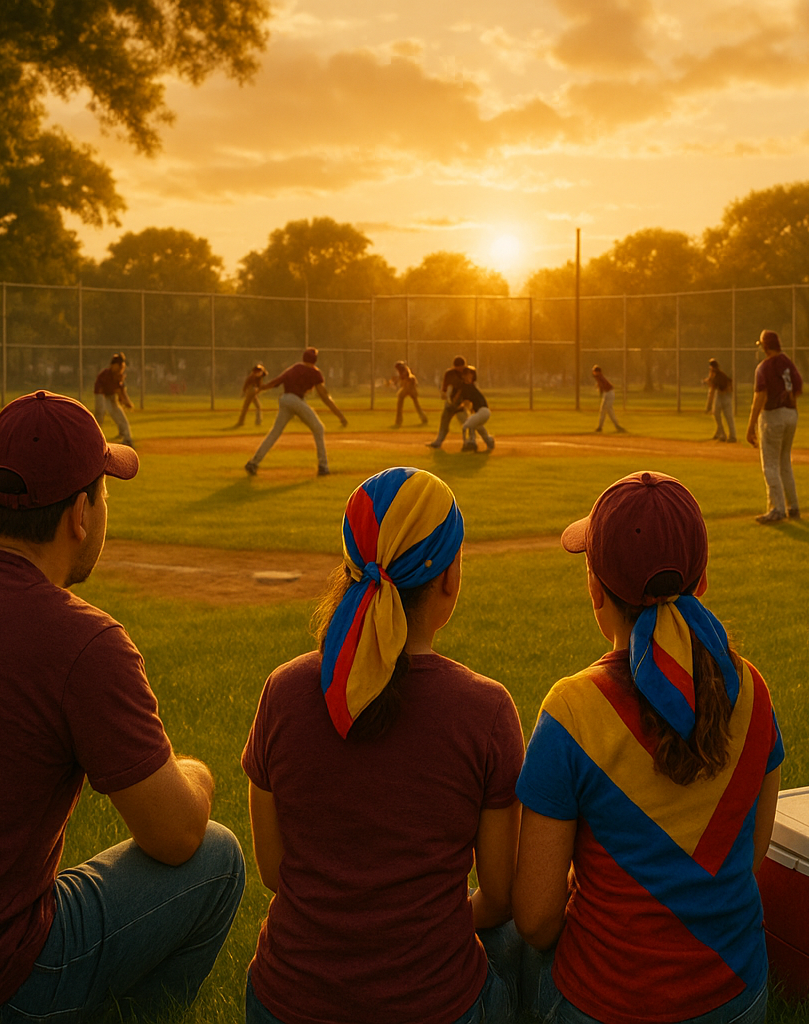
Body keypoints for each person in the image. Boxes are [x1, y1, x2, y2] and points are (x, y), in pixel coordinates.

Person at [0, 390, 245, 1024]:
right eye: (104, 492)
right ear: (80, 513)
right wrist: (199, 774)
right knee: (218, 855)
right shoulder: (84, 642)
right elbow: (176, 835)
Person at [242, 467, 525, 1024]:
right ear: (449, 579)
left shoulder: (284, 690)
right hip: (436, 1005)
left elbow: (275, 870)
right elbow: (497, 895)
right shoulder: (486, 710)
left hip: (285, 1001)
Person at [512, 470, 784, 1024]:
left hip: (606, 1002)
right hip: (737, 997)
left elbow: (536, 919)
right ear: (701, 580)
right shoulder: (752, 689)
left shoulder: (572, 710)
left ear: (594, 587)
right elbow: (751, 856)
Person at [245, 347, 348, 478]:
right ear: (315, 360)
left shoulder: (295, 367)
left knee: (274, 433)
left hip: (285, 399)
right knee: (319, 428)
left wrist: (261, 388)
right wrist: (340, 416)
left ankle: (253, 463)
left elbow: (277, 381)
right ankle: (323, 466)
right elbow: (324, 396)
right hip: (295, 400)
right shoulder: (315, 372)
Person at [746, 330, 803, 524]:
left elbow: (760, 395)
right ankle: (793, 506)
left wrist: (751, 425)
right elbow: (798, 386)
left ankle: (776, 509)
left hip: (773, 415)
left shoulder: (764, 367)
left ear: (765, 346)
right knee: (785, 462)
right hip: (791, 414)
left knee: (770, 464)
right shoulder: (787, 361)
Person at [427, 356, 471, 451]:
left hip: (460, 403)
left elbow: (468, 388)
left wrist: (466, 402)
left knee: (466, 423)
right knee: (444, 423)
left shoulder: (467, 373)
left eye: (461, 367)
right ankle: (438, 442)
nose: (459, 369)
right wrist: (444, 394)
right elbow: (445, 387)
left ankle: (468, 442)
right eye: (458, 367)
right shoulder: (449, 373)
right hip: (450, 403)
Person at [92, 352, 135, 445]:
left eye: (122, 365)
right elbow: (101, 390)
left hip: (111, 395)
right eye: (119, 365)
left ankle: (126, 437)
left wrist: (127, 401)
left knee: (119, 414)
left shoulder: (119, 376)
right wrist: (124, 400)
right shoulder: (106, 374)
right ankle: (95, 437)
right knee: (100, 413)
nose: (121, 367)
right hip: (101, 394)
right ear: (113, 365)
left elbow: (121, 392)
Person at [456, 366, 495, 454]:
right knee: (478, 427)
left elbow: (466, 402)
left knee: (466, 426)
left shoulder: (468, 386)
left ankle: (471, 443)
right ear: (463, 376)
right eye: (467, 374)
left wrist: (457, 407)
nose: (468, 376)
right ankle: (489, 441)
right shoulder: (470, 386)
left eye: (469, 374)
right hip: (483, 412)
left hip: (483, 411)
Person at [705, 358, 736, 442]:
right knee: (718, 415)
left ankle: (726, 435)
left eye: (711, 367)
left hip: (724, 396)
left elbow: (712, 391)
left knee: (726, 416)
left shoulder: (717, 375)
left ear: (713, 367)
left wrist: (708, 406)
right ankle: (723, 434)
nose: (710, 369)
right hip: (724, 395)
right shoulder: (718, 374)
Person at [392, 359, 430, 428]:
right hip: (409, 387)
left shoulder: (404, 371)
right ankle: (423, 418)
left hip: (409, 387)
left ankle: (398, 421)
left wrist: (396, 381)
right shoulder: (405, 370)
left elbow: (404, 378)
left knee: (403, 403)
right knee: (415, 404)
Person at [591, 364, 626, 433]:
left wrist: (600, 390)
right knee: (602, 410)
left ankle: (616, 425)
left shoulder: (599, 376)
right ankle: (600, 427)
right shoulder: (599, 376)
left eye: (594, 371)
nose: (593, 372)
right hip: (606, 393)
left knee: (609, 410)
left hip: (610, 394)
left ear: (597, 372)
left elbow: (603, 385)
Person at [235, 363, 268, 428]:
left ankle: (242, 422)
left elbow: (257, 385)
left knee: (253, 406)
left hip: (252, 391)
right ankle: (244, 422)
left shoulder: (256, 376)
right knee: (250, 406)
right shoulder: (254, 376)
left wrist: (244, 392)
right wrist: (244, 391)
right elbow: (248, 384)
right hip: (251, 390)